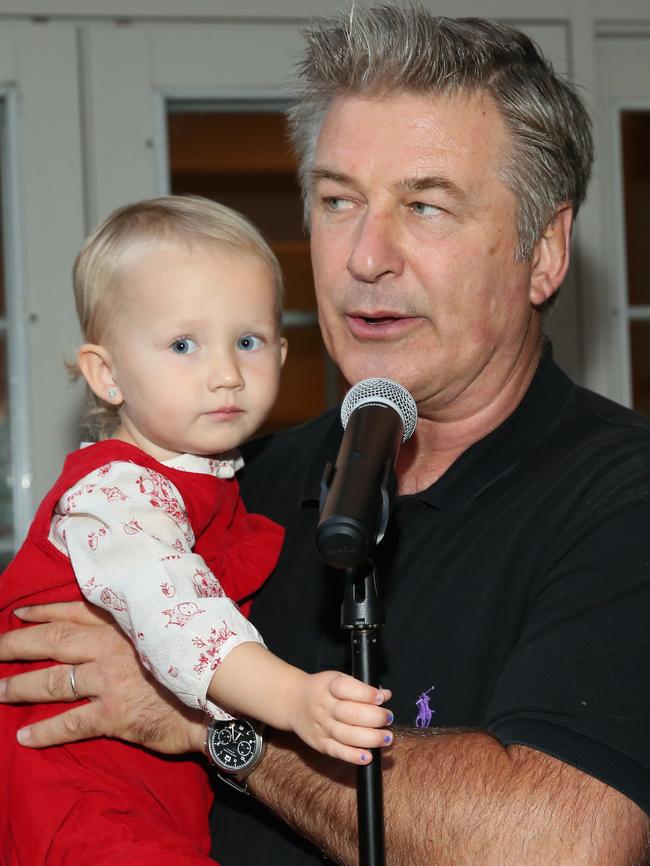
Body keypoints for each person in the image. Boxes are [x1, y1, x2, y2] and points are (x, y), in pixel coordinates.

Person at [0, 5, 649, 865]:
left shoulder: (621, 497)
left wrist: (209, 717)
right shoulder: (230, 485)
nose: (365, 256)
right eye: (338, 199)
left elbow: (562, 844)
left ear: (545, 251)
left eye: (425, 205)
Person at [0, 195, 393, 865]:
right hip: (77, 801)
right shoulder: (116, 493)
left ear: (281, 347)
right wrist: (293, 699)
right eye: (184, 344)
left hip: (152, 799)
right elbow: (177, 617)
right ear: (106, 373)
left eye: (248, 340)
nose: (226, 373)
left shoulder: (212, 485)